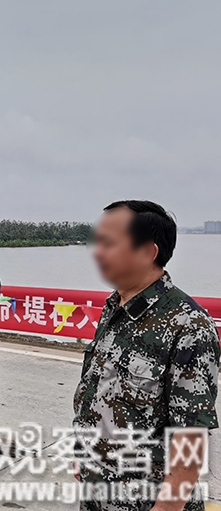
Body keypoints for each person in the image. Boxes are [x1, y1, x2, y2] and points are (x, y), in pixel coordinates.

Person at [73, 200, 220, 511]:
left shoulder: (188, 325)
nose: (97, 252)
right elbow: (98, 391)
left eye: (108, 243)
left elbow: (190, 435)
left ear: (148, 252)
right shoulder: (115, 308)